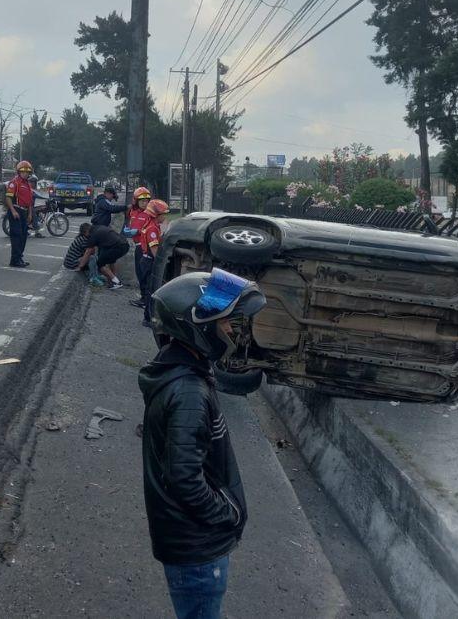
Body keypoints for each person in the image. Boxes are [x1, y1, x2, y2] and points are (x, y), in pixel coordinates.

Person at [139, 268, 267, 619]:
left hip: (189, 543)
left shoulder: (179, 373)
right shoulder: (189, 393)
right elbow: (184, 478)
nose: (231, 330)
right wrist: (225, 516)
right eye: (224, 323)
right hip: (197, 549)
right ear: (199, 329)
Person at [138, 199, 169, 327]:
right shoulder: (152, 230)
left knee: (150, 290)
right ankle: (148, 319)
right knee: (151, 291)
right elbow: (155, 252)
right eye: (163, 214)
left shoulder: (150, 225)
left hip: (146, 261)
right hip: (150, 262)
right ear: (156, 215)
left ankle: (149, 317)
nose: (165, 216)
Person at [4, 160, 35, 267]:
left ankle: (19, 258)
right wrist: (13, 211)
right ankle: (14, 260)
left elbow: (30, 201)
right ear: (19, 172)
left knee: (23, 236)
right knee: (16, 236)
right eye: (23, 171)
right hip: (16, 211)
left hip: (25, 212)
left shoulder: (28, 185)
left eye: (27, 172)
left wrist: (30, 214)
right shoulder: (14, 183)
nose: (25, 173)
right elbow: (8, 198)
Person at [127, 187, 152, 308]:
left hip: (144, 247)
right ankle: (144, 297)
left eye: (147, 200)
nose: (144, 203)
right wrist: (128, 230)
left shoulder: (150, 214)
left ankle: (145, 300)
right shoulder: (133, 212)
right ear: (136, 201)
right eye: (141, 200)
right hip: (137, 246)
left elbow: (152, 230)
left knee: (143, 273)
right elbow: (130, 224)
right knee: (139, 272)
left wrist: (138, 231)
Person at [85, 224, 129, 289]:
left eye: (85, 235)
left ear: (86, 231)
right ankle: (112, 281)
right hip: (125, 244)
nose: (86, 236)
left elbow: (88, 251)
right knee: (111, 261)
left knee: (100, 264)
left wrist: (80, 266)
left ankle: (117, 282)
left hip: (117, 247)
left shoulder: (94, 234)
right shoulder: (100, 227)